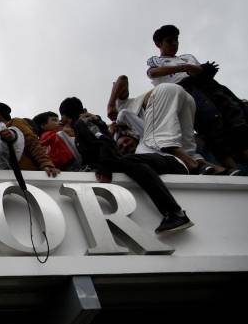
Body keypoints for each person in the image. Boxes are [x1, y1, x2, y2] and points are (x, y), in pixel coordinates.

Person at [59, 96, 192, 235]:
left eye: (61, 117)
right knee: (126, 162)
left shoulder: (84, 122)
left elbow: (104, 141)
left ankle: (174, 213)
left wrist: (105, 171)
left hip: (170, 163)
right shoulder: (83, 125)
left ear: (65, 116)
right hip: (117, 162)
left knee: (128, 162)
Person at [147, 24, 248, 167]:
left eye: (176, 40)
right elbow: (153, 73)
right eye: (170, 41)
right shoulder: (156, 61)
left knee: (234, 115)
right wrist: (186, 68)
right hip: (185, 90)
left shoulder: (188, 56)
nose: (174, 44)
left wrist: (203, 70)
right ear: (159, 44)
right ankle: (232, 169)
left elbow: (199, 70)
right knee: (211, 124)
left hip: (207, 86)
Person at [0, 102, 58, 177]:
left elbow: (32, 142)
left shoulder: (15, 122)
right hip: (8, 177)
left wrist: (45, 163)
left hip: (29, 174)